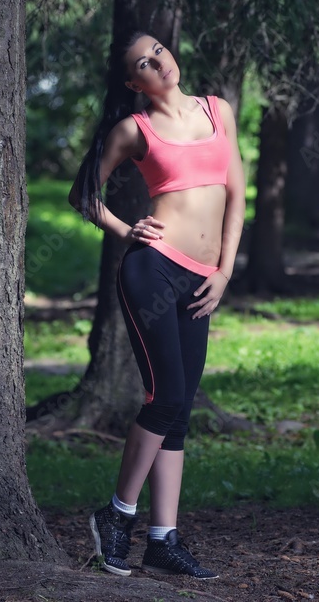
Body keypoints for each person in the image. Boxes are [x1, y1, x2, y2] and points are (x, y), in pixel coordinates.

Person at [67, 32, 245, 580]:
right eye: (142, 63)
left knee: (180, 409)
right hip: (153, 269)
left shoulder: (219, 110)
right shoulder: (133, 129)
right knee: (164, 395)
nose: (157, 63)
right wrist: (126, 229)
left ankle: (163, 540)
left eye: (159, 51)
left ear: (172, 54)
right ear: (132, 82)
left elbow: (236, 191)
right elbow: (83, 195)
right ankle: (117, 514)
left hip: (201, 279)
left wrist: (223, 273)